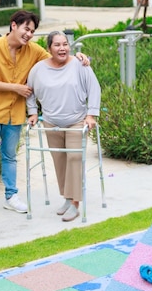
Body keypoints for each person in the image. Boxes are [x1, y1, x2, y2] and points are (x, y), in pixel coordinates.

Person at [0, 10, 88, 222]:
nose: (29, 34)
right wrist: (15, 89)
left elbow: (58, 56)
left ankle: (11, 196)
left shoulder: (33, 50)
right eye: (26, 29)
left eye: (32, 31)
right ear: (13, 25)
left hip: (15, 113)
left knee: (9, 156)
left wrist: (78, 57)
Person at [26, 31, 101, 222]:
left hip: (76, 120)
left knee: (74, 158)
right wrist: (33, 112)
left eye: (65, 44)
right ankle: (67, 198)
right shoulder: (38, 69)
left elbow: (94, 88)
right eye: (57, 45)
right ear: (49, 48)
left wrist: (91, 114)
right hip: (51, 122)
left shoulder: (80, 65)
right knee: (59, 160)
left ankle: (75, 204)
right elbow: (29, 92)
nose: (62, 48)